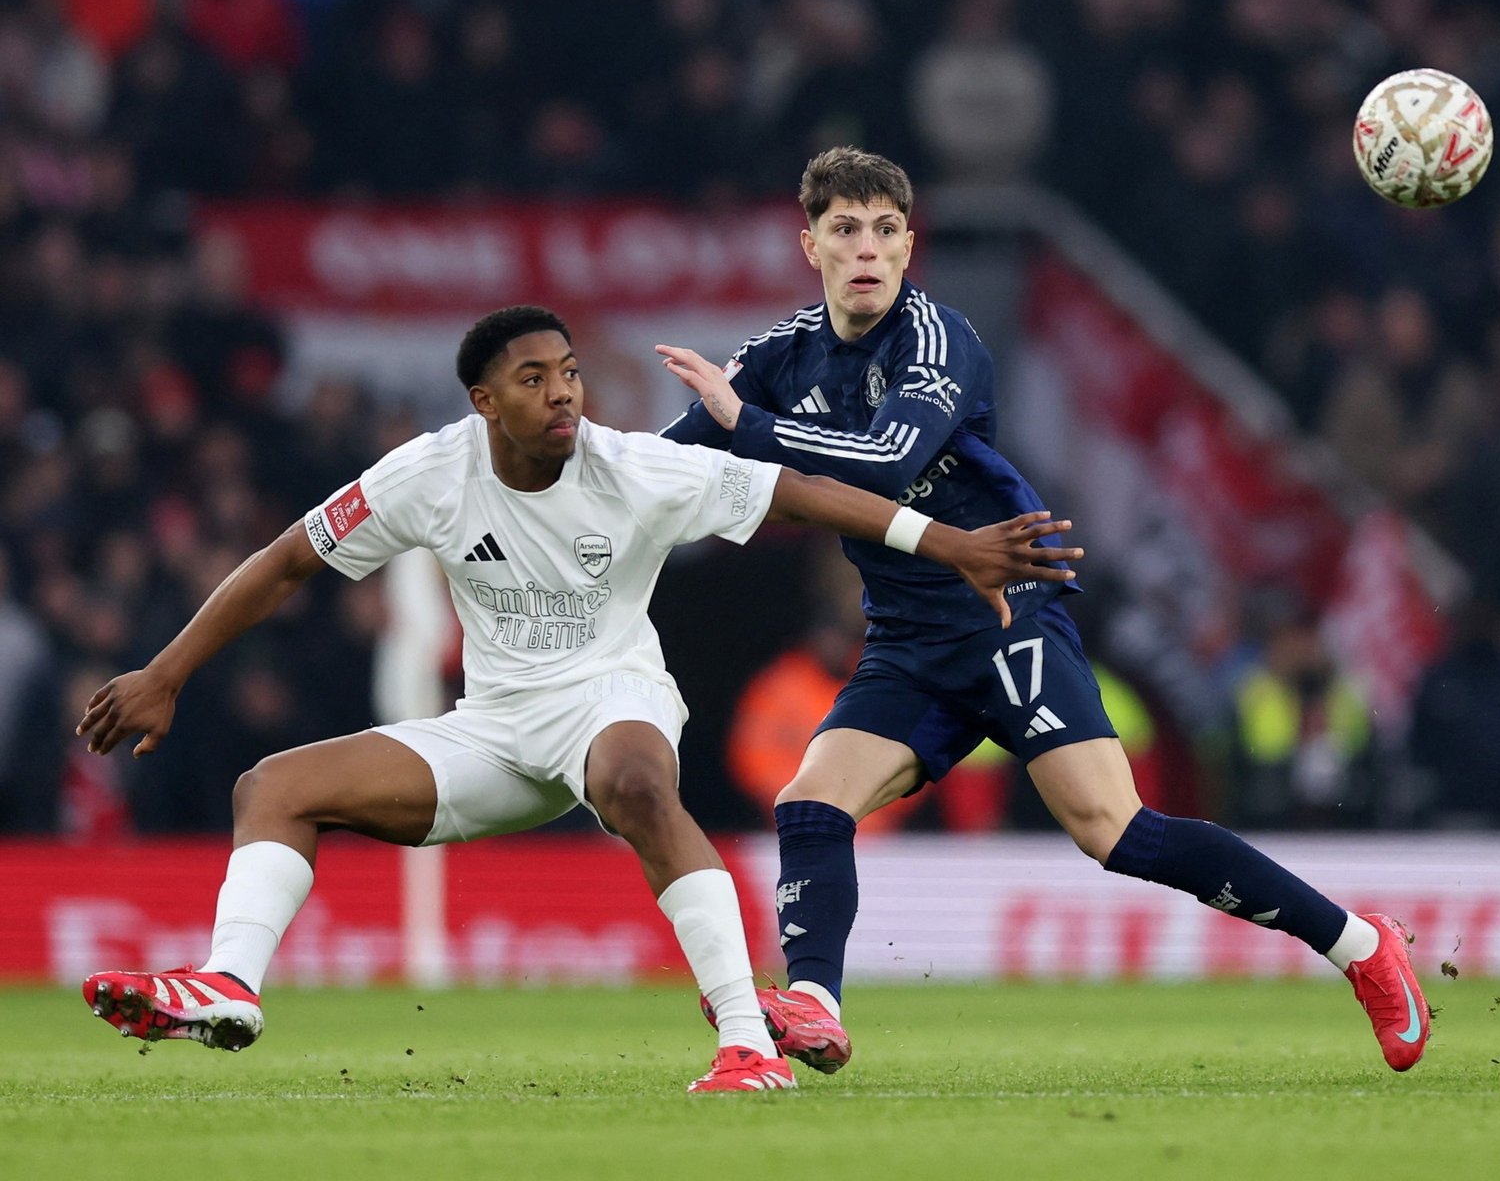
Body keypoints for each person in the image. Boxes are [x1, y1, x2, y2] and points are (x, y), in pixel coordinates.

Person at [75, 305, 1080, 1095]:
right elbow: (286, 561)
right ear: (483, 402)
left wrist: (948, 544)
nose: (564, 394)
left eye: (570, 373)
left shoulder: (631, 467)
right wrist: (167, 672)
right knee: (274, 786)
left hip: (613, 697)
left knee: (634, 783)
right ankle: (228, 985)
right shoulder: (424, 476)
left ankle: (745, 1043)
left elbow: (795, 493)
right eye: (534, 379)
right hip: (496, 729)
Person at [657, 146, 1431, 1074]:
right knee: (811, 802)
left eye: (885, 231)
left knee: (1115, 832)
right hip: (906, 637)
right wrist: (559, 476)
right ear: (810, 244)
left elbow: (887, 462)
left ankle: (1362, 948)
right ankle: (815, 1004)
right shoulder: (783, 357)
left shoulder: (942, 342)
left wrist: (749, 428)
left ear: (910, 246)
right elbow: (661, 466)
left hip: (1006, 611)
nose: (866, 250)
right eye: (845, 230)